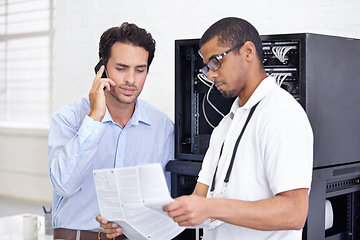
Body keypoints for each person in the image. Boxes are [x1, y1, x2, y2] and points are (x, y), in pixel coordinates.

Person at [98, 17, 314, 239]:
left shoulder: (281, 114)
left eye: (216, 61)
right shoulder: (226, 125)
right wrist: (131, 223)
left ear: (248, 51)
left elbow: (294, 213)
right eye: (207, 66)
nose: (210, 74)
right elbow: (198, 202)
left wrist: (212, 208)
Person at [48, 22, 174, 240]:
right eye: (121, 68)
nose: (131, 80)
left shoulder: (162, 126)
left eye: (140, 70)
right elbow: (64, 186)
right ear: (102, 68)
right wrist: (95, 117)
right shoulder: (68, 119)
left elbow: (164, 203)